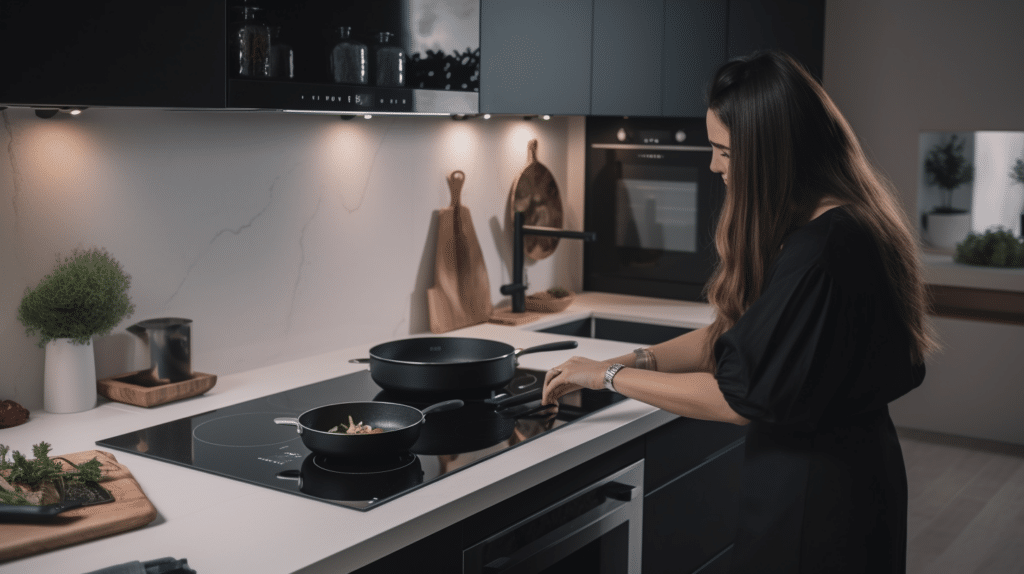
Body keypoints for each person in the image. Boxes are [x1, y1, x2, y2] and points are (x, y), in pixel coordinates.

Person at [541, 50, 937, 574]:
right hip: (856, 479)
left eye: (725, 151)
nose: (714, 165)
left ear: (772, 152)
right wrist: (634, 358)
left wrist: (607, 377)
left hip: (814, 502)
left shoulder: (820, 250)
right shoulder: (846, 223)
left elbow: (736, 396)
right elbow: (740, 337)